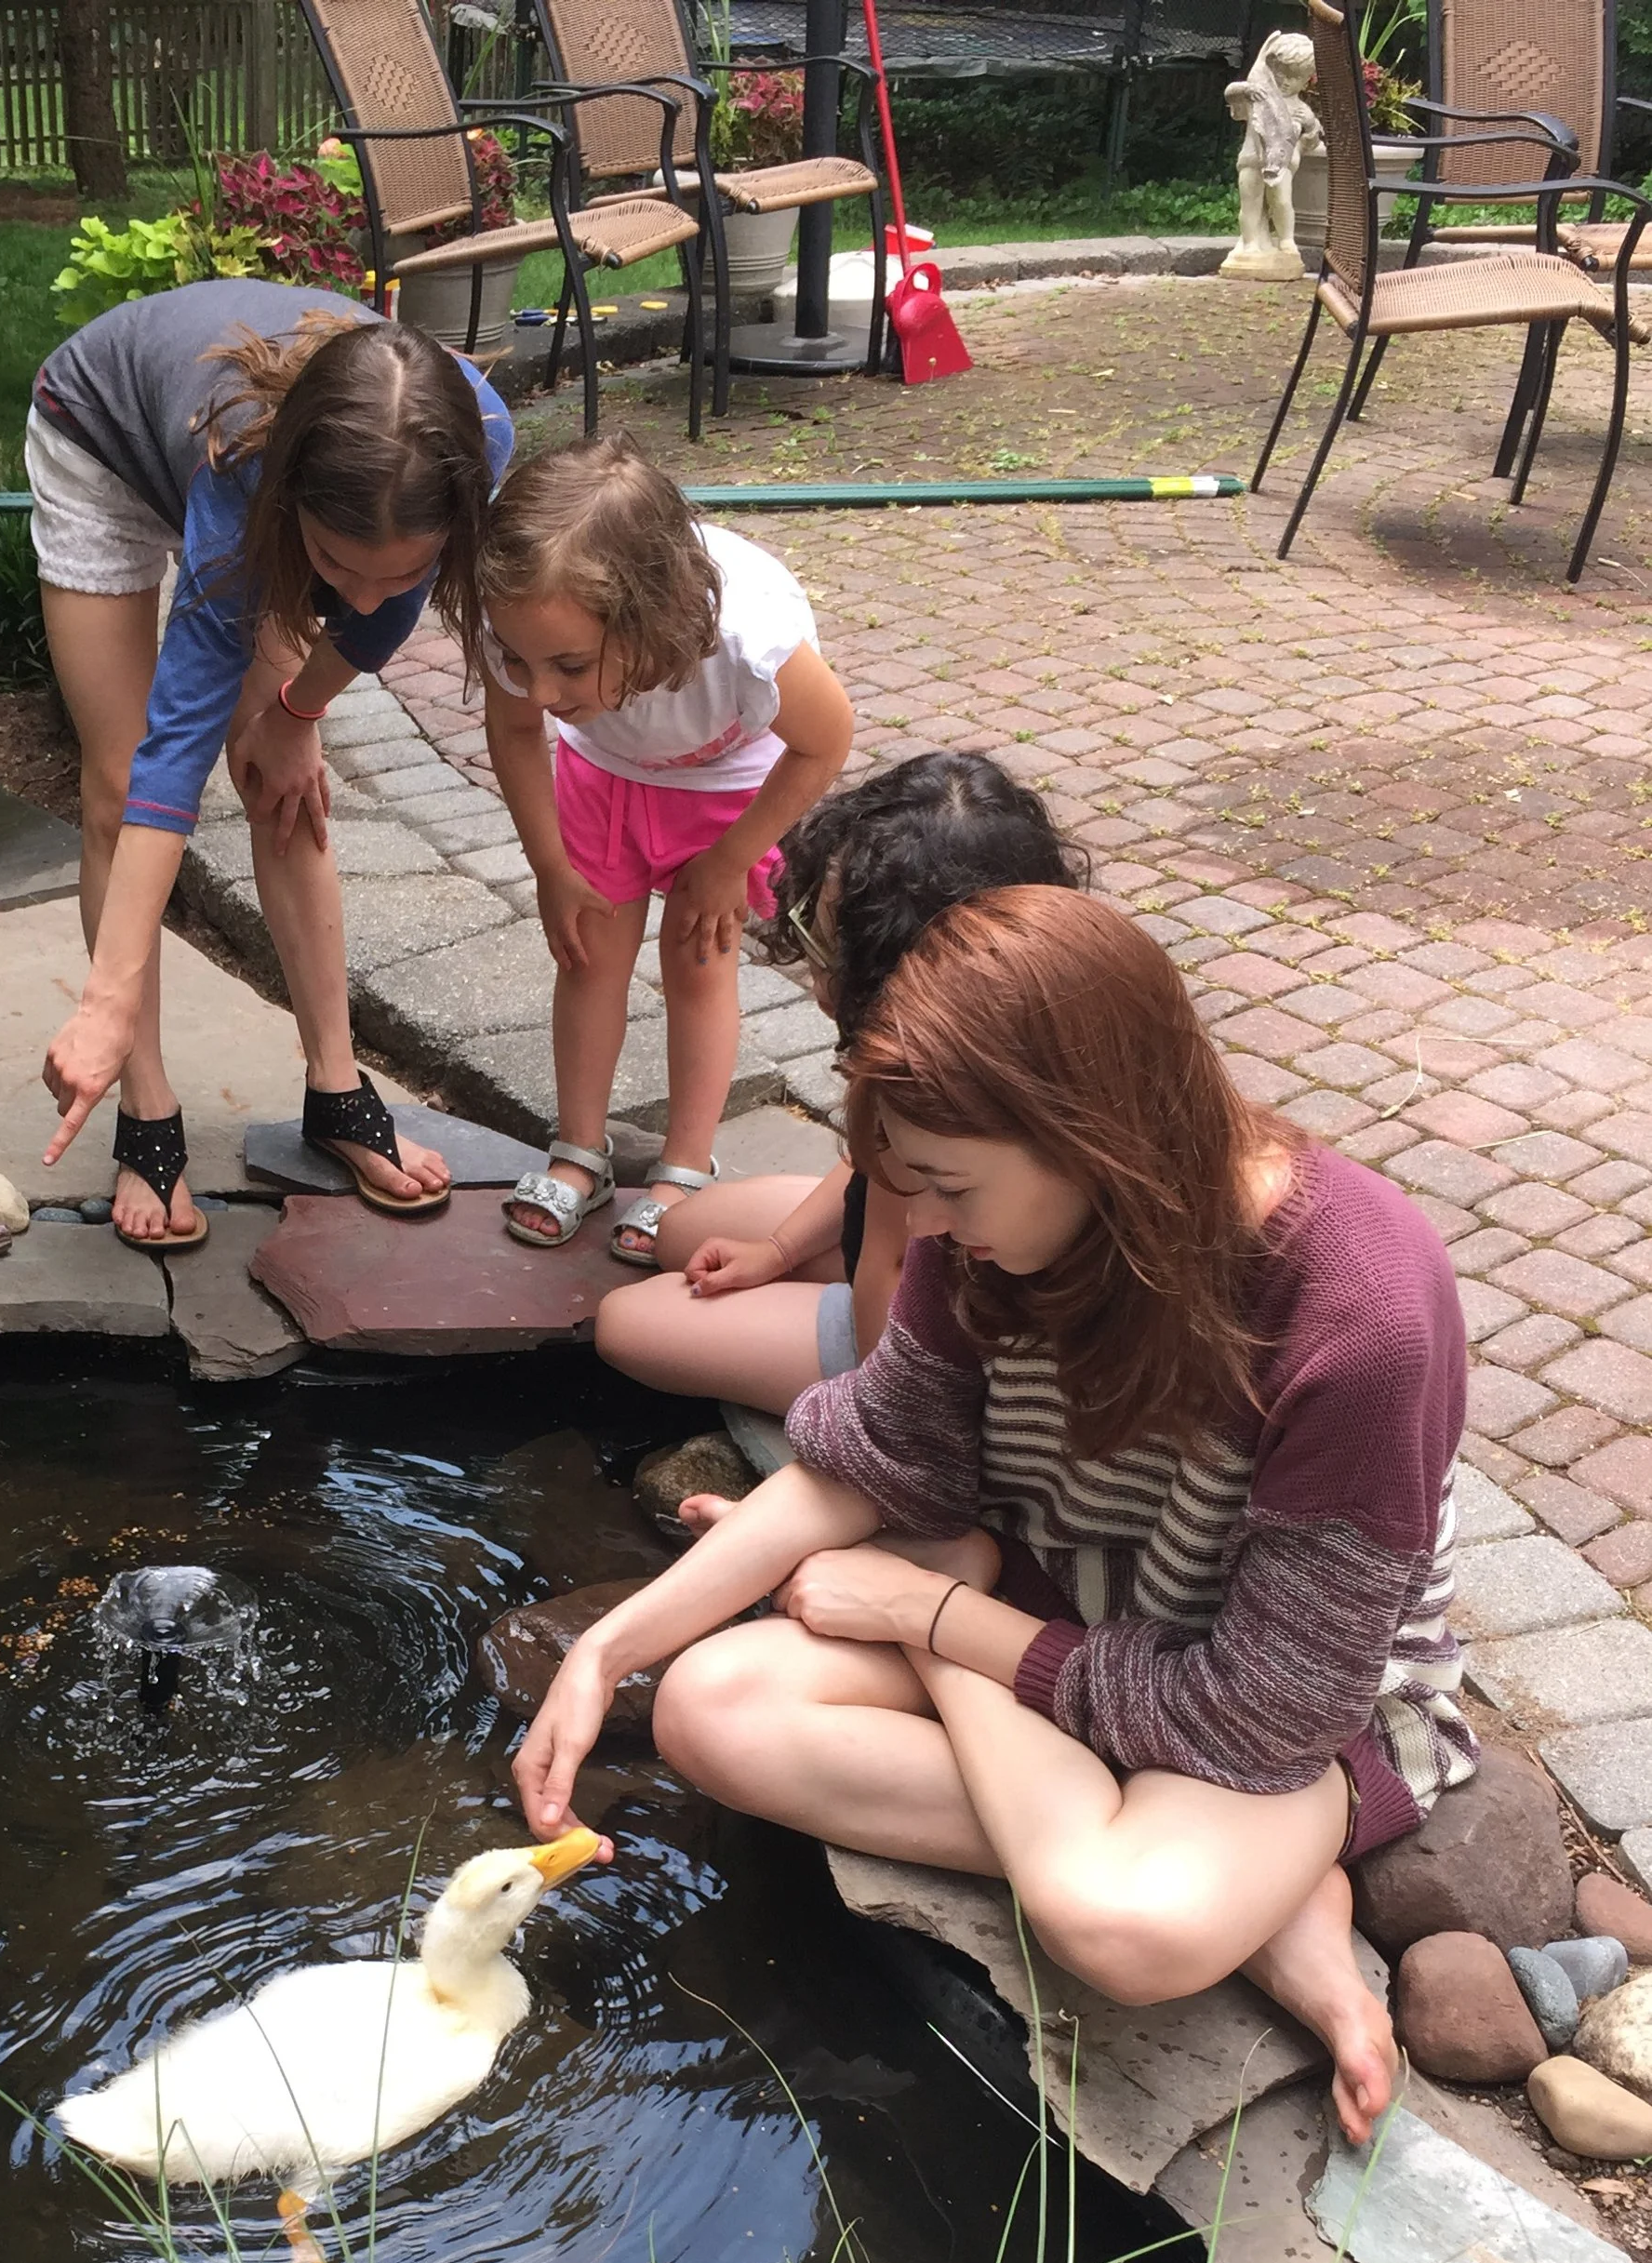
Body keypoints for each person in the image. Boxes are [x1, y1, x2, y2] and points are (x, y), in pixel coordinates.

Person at [515, 885, 1475, 2147]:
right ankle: (1266, 1907)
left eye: (953, 1188)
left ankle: (1249, 1891)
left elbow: (1264, 1713)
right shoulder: (986, 1237)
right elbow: (865, 1461)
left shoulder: (1362, 1322)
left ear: (1094, 1137)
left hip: (1285, 1707)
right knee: (707, 1708)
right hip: (1063, 1624)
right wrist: (607, 1653)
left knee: (1127, 1924)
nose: (928, 1228)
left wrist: (931, 1614)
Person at [32, 286, 513, 1240]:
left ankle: (334, 1087)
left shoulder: (467, 451)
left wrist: (297, 712)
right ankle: (145, 1102)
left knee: (285, 778)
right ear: (291, 507)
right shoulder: (244, 475)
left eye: (404, 570)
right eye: (335, 564)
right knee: (121, 782)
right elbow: (173, 754)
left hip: (300, 493)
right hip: (105, 440)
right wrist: (104, 1000)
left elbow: (380, 604)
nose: (363, 597)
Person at [596, 752, 1081, 1420]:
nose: (814, 968)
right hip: (905, 1252)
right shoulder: (1003, 1007)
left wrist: (882, 1420)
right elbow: (867, 1166)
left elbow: (885, 1261)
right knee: (681, 1232)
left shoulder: (919, 1069)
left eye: (825, 944)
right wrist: (778, 1252)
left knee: (628, 1322)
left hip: (918, 1327)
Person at [478, 436, 855, 1261]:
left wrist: (727, 863)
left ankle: (684, 1168)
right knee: (587, 952)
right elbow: (512, 729)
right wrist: (550, 868)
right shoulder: (523, 611)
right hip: (604, 777)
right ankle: (580, 1150)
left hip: (728, 791)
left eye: (568, 667)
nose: (538, 689)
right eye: (518, 660)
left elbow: (826, 741)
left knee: (698, 963)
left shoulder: (750, 640)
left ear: (648, 620)